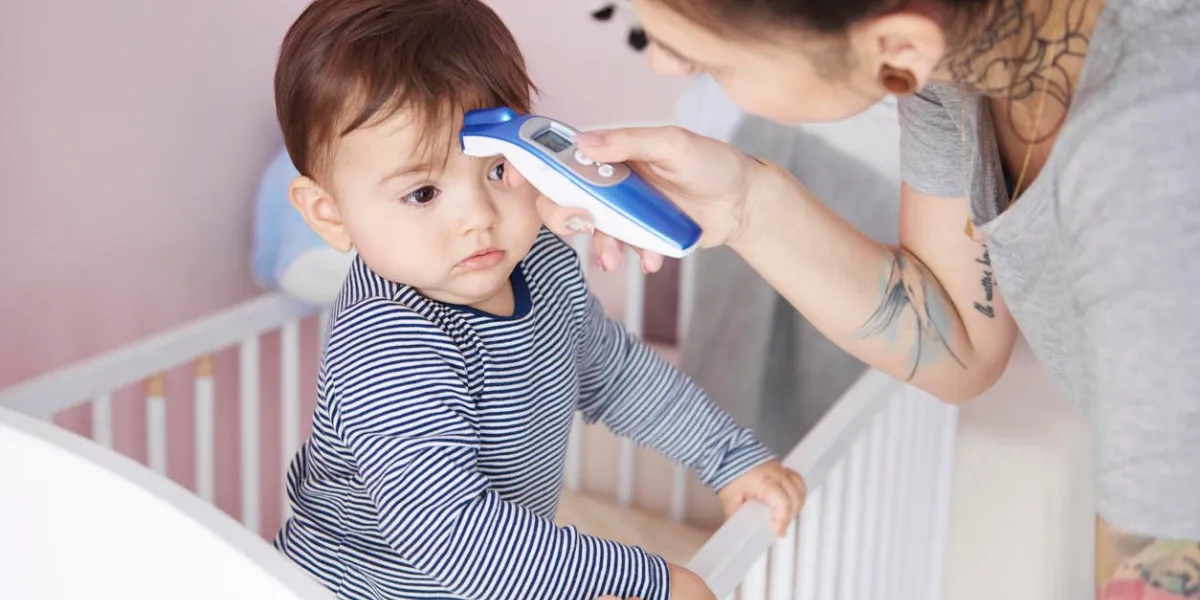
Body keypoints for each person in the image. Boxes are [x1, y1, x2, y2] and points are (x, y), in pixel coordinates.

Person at [528, 0, 1200, 597]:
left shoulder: (1149, 158)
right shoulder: (954, 69)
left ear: (897, 45)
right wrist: (742, 204)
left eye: (712, 63)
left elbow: (1166, 548)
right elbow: (956, 342)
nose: (669, 66)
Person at [268, 1, 806, 600]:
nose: (478, 218)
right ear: (329, 214)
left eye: (499, 170)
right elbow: (453, 534)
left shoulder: (543, 264)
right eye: (422, 193)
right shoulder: (389, 341)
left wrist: (727, 456)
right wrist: (647, 582)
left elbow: (617, 376)